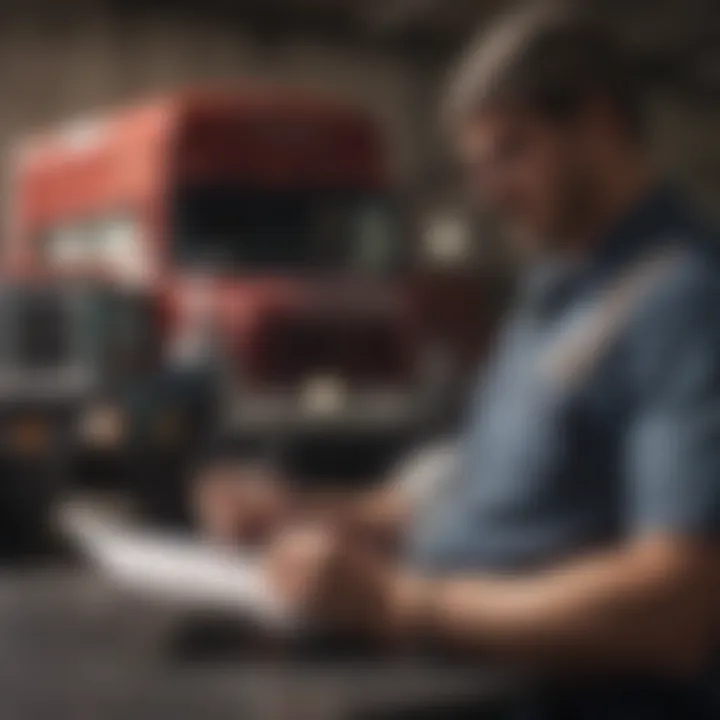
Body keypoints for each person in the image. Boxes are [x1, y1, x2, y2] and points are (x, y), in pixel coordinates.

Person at [196, 5, 720, 717]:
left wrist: (399, 606)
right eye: (478, 166)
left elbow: (680, 603)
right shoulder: (547, 301)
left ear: (599, 123)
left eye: (512, 150)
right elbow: (470, 495)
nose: (490, 193)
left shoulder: (683, 304)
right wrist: (305, 512)